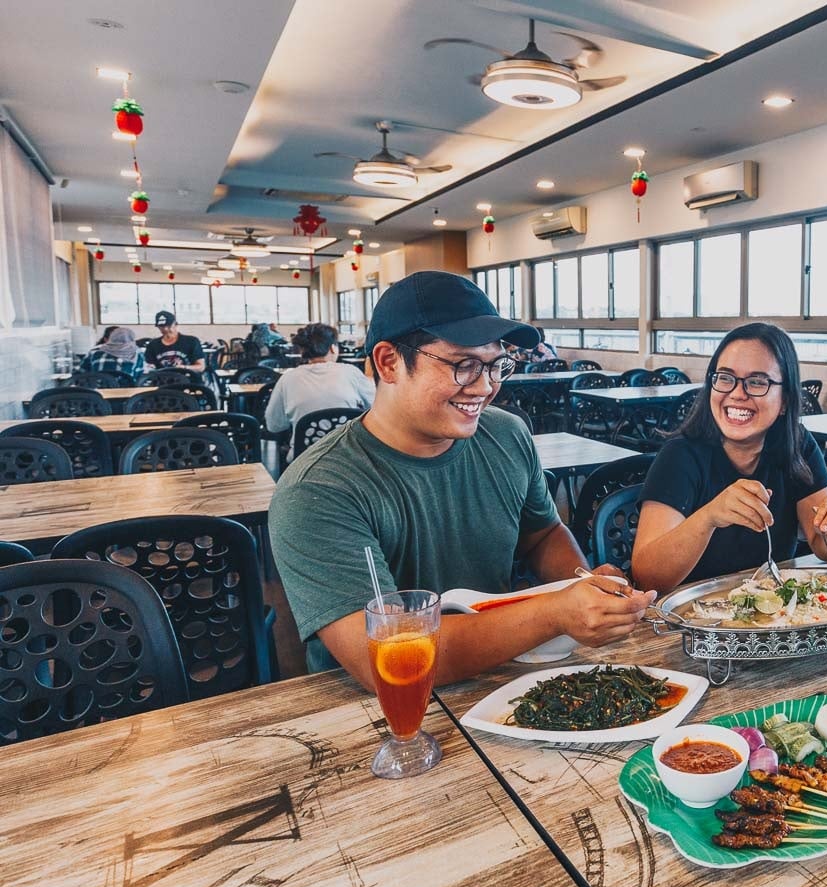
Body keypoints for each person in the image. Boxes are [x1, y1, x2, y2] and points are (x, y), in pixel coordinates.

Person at [268, 270, 654, 688]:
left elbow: (542, 533)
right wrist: (555, 612)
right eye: (464, 365)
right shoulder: (319, 489)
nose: (485, 387)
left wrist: (584, 586)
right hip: (376, 707)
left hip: (501, 675)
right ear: (389, 362)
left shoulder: (506, 434)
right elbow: (387, 658)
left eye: (496, 365)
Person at [631, 323, 827, 592]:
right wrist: (709, 516)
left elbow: (826, 548)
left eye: (757, 382)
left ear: (784, 401)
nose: (737, 393)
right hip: (692, 611)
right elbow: (647, 578)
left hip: (776, 610)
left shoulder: (796, 445)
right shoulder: (680, 455)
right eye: (726, 378)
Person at [263, 323, 376, 447]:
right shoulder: (351, 372)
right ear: (333, 348)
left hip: (305, 456)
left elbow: (274, 425)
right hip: (349, 453)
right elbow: (375, 406)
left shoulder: (287, 378)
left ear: (302, 350)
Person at [78, 326, 146, 381]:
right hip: (129, 392)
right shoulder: (138, 353)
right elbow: (140, 375)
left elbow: (80, 372)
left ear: (112, 337)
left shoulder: (94, 351)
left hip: (99, 391)